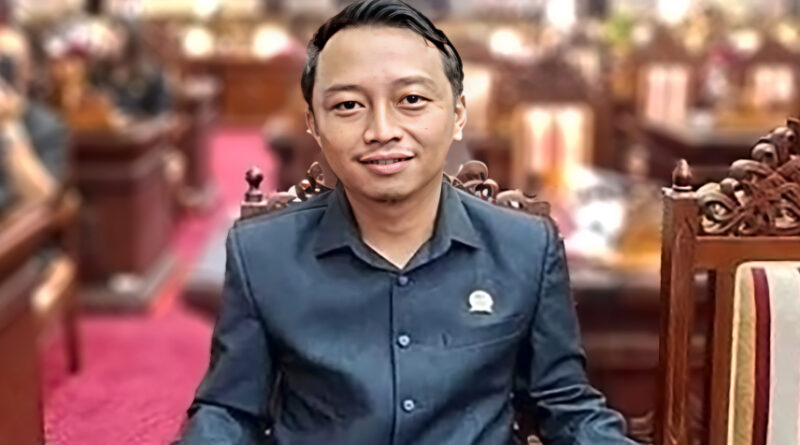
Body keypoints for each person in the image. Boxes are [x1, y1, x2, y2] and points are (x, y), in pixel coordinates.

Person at [177, 1, 637, 444]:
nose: (382, 130)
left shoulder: (526, 248)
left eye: (411, 100)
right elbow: (229, 412)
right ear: (314, 124)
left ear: (457, 115)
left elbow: (567, 409)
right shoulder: (262, 253)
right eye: (348, 106)